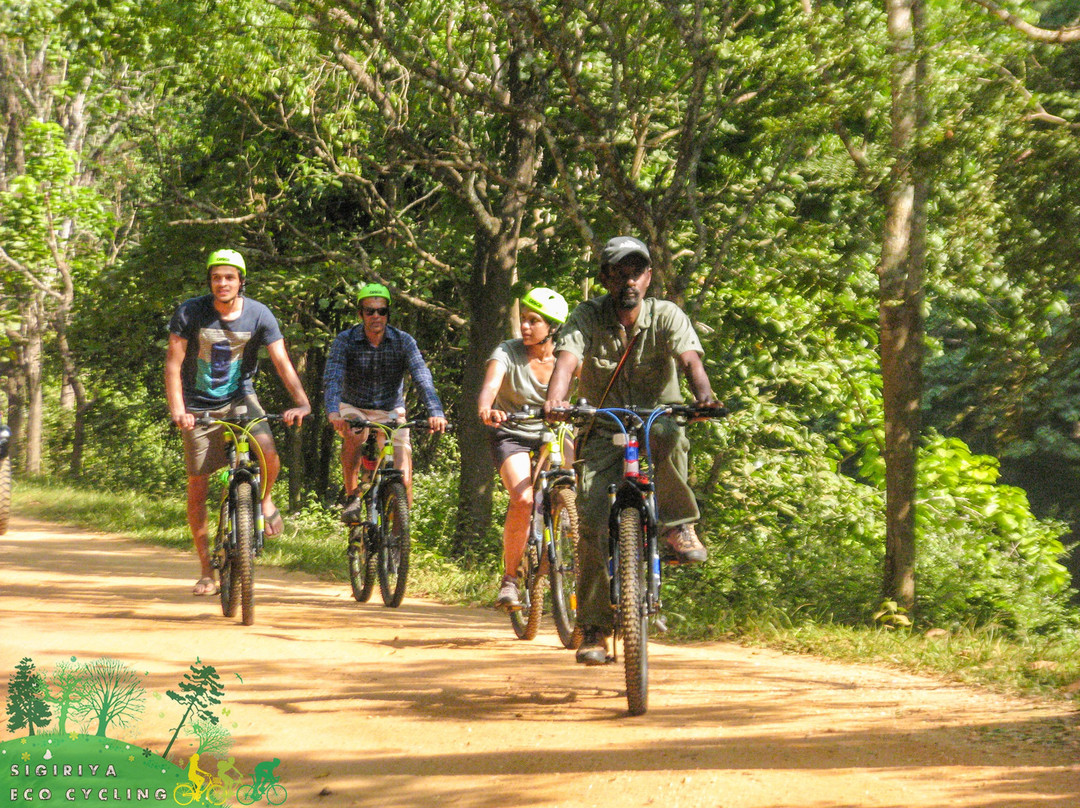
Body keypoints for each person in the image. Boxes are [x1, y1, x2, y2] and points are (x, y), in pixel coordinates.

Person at [544, 236, 721, 665]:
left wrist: (705, 396)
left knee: (672, 436)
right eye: (619, 271)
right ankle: (593, 627)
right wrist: (555, 401)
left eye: (637, 271)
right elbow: (566, 362)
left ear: (648, 277)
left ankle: (678, 527)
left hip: (657, 416)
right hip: (604, 425)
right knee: (589, 520)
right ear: (605, 277)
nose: (629, 280)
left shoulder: (666, 315)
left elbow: (691, 360)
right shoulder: (587, 316)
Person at [166, 249, 311, 596]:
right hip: (198, 404)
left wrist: (302, 402)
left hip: (239, 399)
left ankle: (264, 500)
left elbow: (281, 361)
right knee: (198, 486)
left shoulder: (260, 314)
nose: (222, 283)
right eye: (216, 277)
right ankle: (206, 572)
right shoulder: (190, 312)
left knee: (268, 449)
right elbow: (173, 364)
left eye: (229, 277)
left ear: (241, 281)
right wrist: (178, 409)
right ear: (209, 282)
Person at [477, 288, 571, 608]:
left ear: (553, 327)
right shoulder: (507, 351)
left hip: (554, 433)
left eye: (534, 321)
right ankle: (510, 580)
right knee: (523, 499)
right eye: (524, 319)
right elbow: (490, 385)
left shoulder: (566, 357)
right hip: (512, 432)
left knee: (581, 487)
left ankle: (563, 546)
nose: (525, 326)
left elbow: (593, 387)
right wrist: (488, 408)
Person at [323, 282, 448, 522]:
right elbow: (333, 377)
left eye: (381, 311)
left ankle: (397, 546)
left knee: (403, 478)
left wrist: (435, 411)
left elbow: (422, 376)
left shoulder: (403, 341)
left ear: (388, 313)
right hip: (354, 406)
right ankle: (352, 497)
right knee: (355, 433)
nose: (376, 316)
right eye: (369, 311)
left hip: (390, 411)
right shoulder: (345, 340)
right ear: (361, 314)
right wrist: (333, 412)